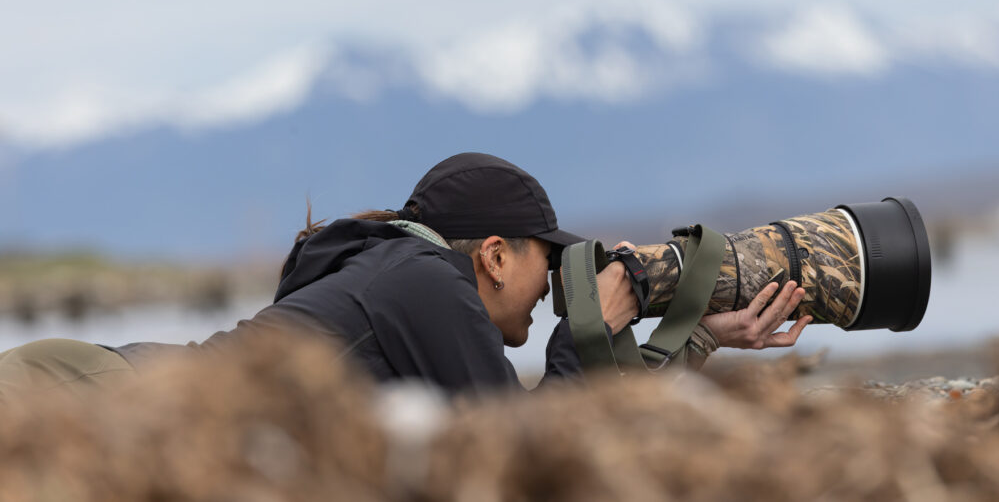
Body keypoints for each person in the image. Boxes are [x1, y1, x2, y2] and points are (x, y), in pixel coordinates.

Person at [0, 152, 810, 399]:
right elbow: (519, 457)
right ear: (493, 254)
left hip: (101, 386)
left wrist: (699, 333)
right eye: (543, 255)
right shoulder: (427, 282)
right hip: (89, 396)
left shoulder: (394, 275)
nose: (553, 279)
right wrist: (580, 336)